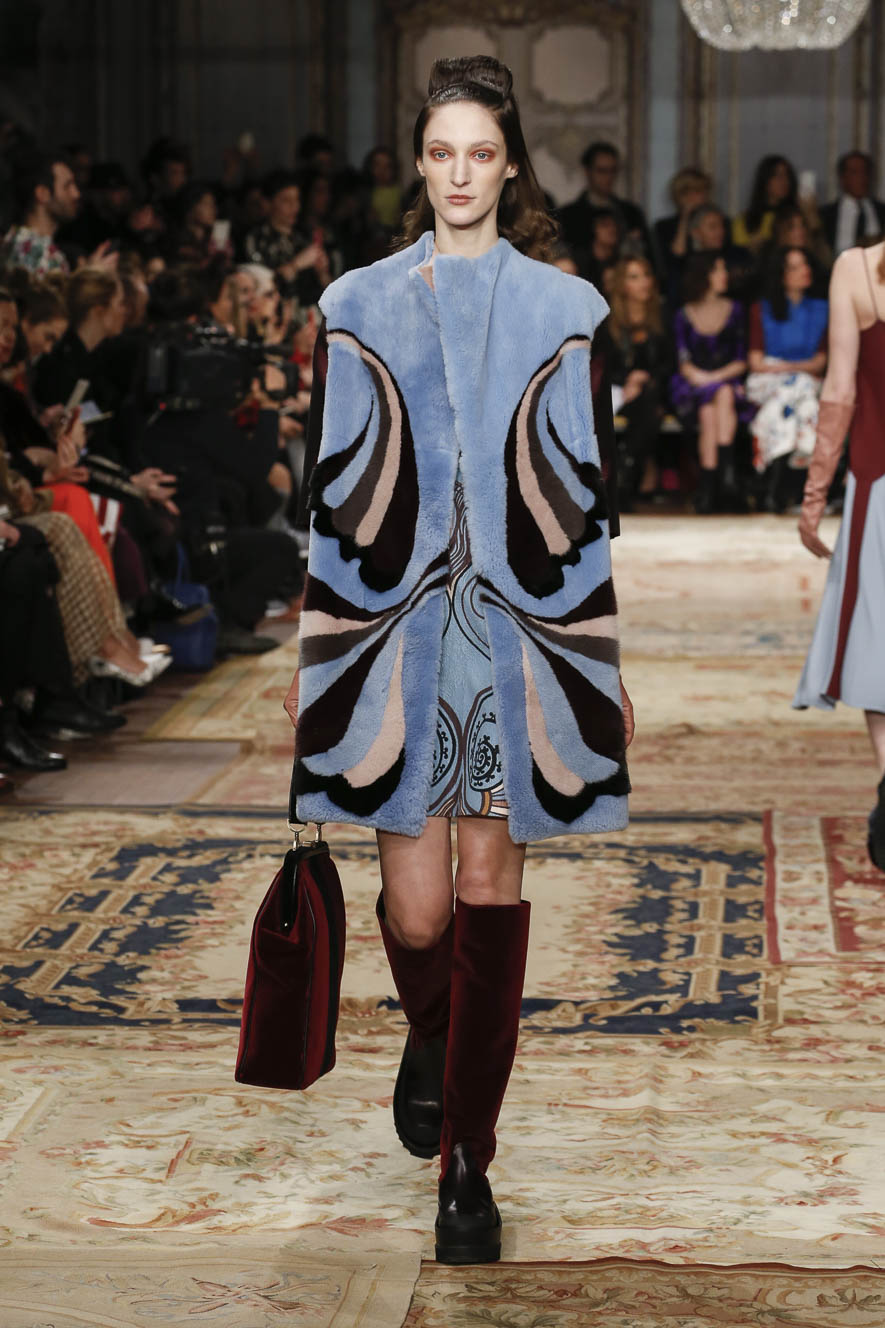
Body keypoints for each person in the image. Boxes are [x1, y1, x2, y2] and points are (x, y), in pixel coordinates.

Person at [283, 53, 634, 1266]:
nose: (461, 174)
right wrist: (316, 653)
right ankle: (434, 1031)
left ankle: (467, 1161)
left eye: (481, 153)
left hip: (518, 636)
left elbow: (589, 498)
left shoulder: (567, 309)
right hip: (395, 632)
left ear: (510, 164)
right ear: (420, 164)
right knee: (419, 908)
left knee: (489, 894)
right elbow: (331, 494)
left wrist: (598, 657)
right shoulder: (355, 304)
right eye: (441, 153)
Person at [794, 241, 885, 867]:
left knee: (877, 647)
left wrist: (815, 494)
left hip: (878, 484)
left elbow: (841, 389)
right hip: (875, 480)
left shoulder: (857, 270)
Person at [670, 251, 753, 512]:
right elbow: (683, 362)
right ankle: (726, 481)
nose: (724, 275)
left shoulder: (736, 310)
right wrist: (704, 379)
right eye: (718, 270)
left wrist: (714, 378)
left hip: (726, 381)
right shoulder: (684, 314)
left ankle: (708, 487)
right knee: (713, 401)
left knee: (718, 400)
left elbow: (742, 359)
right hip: (692, 385)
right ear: (703, 275)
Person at [746, 247, 828, 509]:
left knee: (801, 403)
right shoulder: (761, 309)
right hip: (769, 383)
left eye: (806, 264)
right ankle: (793, 484)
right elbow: (756, 362)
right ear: (781, 274)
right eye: (795, 267)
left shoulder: (823, 309)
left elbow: (821, 362)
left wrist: (789, 368)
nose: (805, 271)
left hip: (802, 385)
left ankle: (774, 483)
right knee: (801, 397)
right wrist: (795, 369)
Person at [598, 256, 674, 506]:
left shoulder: (662, 315)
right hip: (617, 391)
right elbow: (602, 363)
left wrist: (643, 378)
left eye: (646, 275)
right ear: (622, 284)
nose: (643, 282)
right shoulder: (608, 319)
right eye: (634, 277)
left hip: (654, 391)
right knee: (642, 407)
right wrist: (625, 381)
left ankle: (623, 475)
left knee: (648, 403)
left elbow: (670, 363)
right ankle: (627, 475)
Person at [556, 140, 653, 265]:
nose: (609, 177)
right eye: (602, 170)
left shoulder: (631, 213)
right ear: (587, 171)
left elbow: (648, 259)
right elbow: (562, 258)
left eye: (613, 170)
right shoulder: (568, 215)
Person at [819, 151, 885, 258]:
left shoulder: (881, 211)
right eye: (855, 172)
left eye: (865, 172)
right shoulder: (826, 214)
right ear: (842, 177)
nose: (862, 177)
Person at [733, 155, 798, 252]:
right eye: (777, 176)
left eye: (787, 176)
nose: (784, 181)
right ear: (765, 180)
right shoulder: (744, 220)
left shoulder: (797, 217)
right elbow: (739, 254)